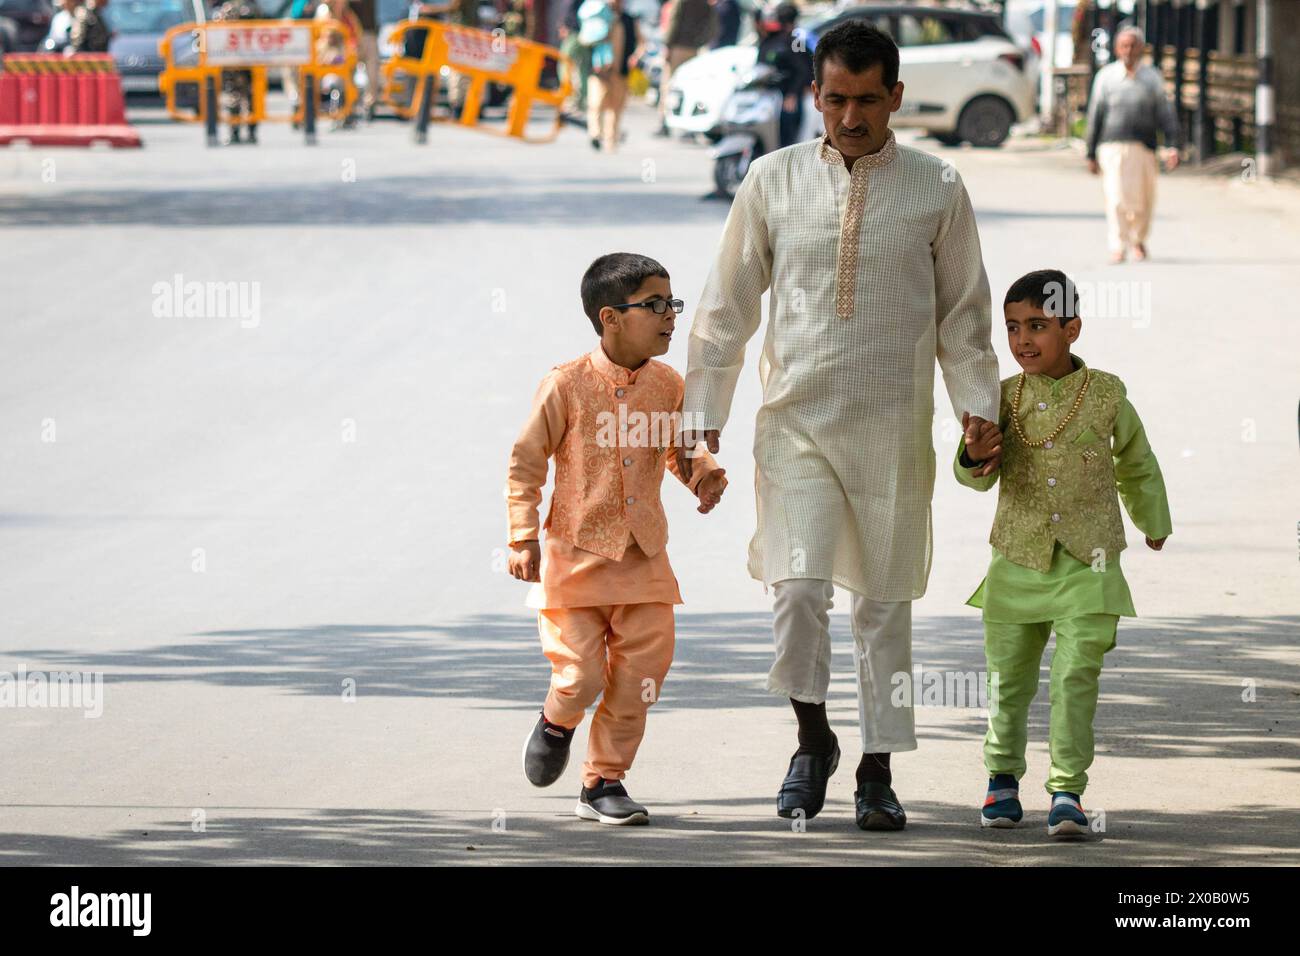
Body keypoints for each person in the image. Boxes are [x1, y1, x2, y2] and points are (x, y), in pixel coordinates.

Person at [680, 20, 1001, 832]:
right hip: (794, 426)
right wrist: (702, 416)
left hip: (893, 429)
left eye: (866, 100)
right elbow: (724, 309)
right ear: (813, 95)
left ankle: (878, 768)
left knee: (884, 605)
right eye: (834, 99)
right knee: (796, 590)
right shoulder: (770, 179)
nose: (850, 117)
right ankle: (813, 738)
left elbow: (964, 321)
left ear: (896, 95)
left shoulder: (938, 186)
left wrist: (979, 411)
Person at [506, 253, 728, 826]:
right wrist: (521, 537)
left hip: (644, 558)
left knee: (640, 677)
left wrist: (702, 474)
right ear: (610, 316)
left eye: (671, 304)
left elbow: (679, 450)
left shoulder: (668, 385)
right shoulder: (565, 384)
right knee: (579, 676)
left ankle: (603, 781)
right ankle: (558, 721)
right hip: (574, 558)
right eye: (654, 305)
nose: (670, 316)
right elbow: (526, 463)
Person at [956, 269, 1171, 837]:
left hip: (1090, 563)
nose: (1023, 339)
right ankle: (1001, 778)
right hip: (1016, 562)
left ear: (1072, 328)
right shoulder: (1000, 396)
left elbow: (1137, 460)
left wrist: (1152, 519)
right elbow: (976, 477)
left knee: (1077, 675)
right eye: (1012, 327)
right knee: (1009, 681)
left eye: (1037, 325)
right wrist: (972, 454)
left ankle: (1067, 791)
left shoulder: (1105, 393)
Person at [1085, 26, 1182, 263]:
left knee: (1142, 199)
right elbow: (1095, 116)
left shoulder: (1152, 78)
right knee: (1116, 198)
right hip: (1113, 147)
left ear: (1141, 48)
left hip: (1144, 148)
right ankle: (1118, 245)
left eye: (1133, 45)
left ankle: (1138, 240)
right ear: (1117, 49)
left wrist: (1173, 145)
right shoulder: (1106, 77)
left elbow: (1165, 114)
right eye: (1124, 46)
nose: (1128, 50)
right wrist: (1090, 153)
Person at [578, 0, 639, 152]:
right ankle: (595, 134)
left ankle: (611, 140)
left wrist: (635, 56)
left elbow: (640, 41)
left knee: (616, 106)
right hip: (599, 69)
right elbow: (585, 39)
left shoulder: (628, 20)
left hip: (620, 69)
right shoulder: (598, 16)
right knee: (596, 103)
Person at [655, 0, 716, 135]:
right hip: (694, 49)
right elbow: (712, 27)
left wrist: (667, 45)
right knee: (690, 87)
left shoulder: (681, 2)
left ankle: (664, 121)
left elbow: (674, 22)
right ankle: (688, 125)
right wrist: (701, 41)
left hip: (678, 47)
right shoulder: (705, 4)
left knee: (669, 85)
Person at [756, 2, 811, 147]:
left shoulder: (795, 40)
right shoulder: (774, 38)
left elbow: (802, 69)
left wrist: (792, 94)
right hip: (772, 94)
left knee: (788, 125)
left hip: (790, 94)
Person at [212, 0, 263, 144]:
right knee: (232, 97)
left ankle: (252, 132)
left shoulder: (251, 7)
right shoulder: (224, 8)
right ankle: (234, 132)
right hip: (232, 60)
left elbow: (258, 23)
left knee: (252, 97)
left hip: (250, 60)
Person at [349, 0, 381, 120]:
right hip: (350, 34)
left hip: (369, 33)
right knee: (348, 72)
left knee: (373, 73)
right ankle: (349, 105)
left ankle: (369, 104)